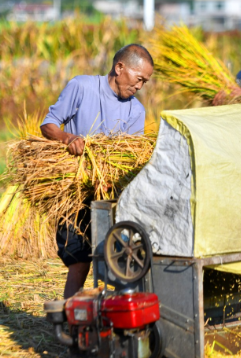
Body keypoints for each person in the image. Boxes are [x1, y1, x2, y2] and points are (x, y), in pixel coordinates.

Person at [40, 44, 153, 298]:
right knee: (79, 257)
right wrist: (67, 138)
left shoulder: (136, 110)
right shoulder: (82, 87)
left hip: (110, 196)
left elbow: (131, 159)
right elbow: (48, 125)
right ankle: (73, 317)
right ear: (120, 67)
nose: (140, 87)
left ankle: (114, 311)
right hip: (74, 188)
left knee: (118, 257)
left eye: (145, 82)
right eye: (139, 79)